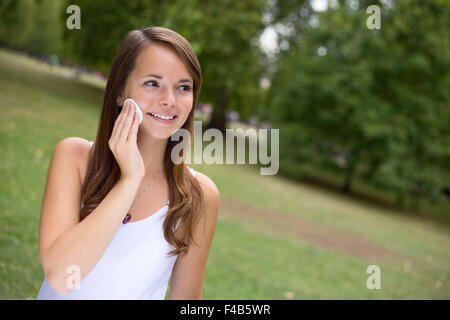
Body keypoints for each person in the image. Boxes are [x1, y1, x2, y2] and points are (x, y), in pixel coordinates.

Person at [36, 26, 220, 300]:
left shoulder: (198, 195)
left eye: (183, 87)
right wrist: (130, 179)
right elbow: (62, 276)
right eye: (152, 83)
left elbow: (186, 298)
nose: (169, 100)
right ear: (120, 91)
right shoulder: (74, 157)